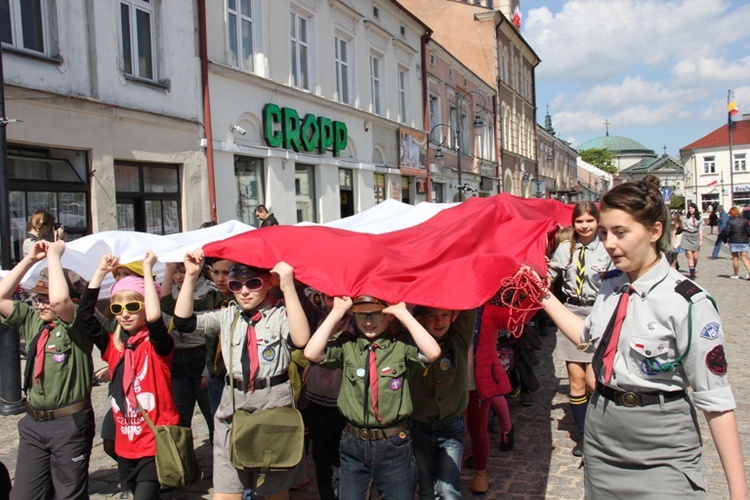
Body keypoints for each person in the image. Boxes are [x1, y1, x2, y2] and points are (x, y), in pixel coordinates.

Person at [541, 180, 747, 498]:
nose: (609, 243)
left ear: (654, 231)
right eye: (605, 232)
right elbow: (588, 338)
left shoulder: (688, 302)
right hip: (602, 433)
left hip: (662, 441)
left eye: (620, 232)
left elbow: (716, 402)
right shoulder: (609, 285)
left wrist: (739, 491)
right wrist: (542, 295)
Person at [173, 251, 310, 500]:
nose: (244, 291)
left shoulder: (279, 315)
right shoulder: (228, 314)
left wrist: (289, 289)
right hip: (233, 406)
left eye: (253, 283)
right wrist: (191, 276)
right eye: (237, 285)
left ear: (268, 282)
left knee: (275, 491)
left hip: (272, 406)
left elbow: (301, 339)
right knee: (226, 491)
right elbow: (184, 323)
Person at [304, 295, 441, 500]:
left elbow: (432, 353)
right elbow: (312, 353)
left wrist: (404, 313)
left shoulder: (400, 346)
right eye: (362, 314)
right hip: (353, 444)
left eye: (377, 313)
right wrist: (336, 313)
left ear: (389, 315)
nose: (369, 321)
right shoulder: (347, 345)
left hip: (393, 444)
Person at [0, 240, 96, 500]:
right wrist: (30, 259)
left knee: (68, 495)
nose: (41, 304)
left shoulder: (77, 326)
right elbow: (0, 297)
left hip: (68, 424)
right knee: (22, 495)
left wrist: (54, 256)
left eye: (45, 299)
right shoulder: (34, 323)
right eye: (37, 298)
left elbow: (60, 299)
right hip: (34, 422)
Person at [83, 252, 179, 499]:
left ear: (146, 306)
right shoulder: (113, 347)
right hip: (126, 444)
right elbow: (85, 317)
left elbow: (156, 319)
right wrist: (100, 273)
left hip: (154, 441)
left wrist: (147, 271)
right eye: (118, 308)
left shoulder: (159, 345)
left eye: (133, 306)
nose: (124, 313)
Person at [547, 201, 612, 457]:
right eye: (579, 221)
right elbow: (550, 272)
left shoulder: (607, 248)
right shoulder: (565, 249)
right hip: (571, 312)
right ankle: (584, 437)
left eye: (589, 221)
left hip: (599, 315)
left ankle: (601, 431)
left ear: (597, 222)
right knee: (576, 381)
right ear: (573, 224)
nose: (584, 226)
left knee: (593, 382)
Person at [409, 307, 476, 499]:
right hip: (419, 427)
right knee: (426, 490)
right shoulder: (411, 344)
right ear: (421, 319)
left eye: (445, 315)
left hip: (451, 428)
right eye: (432, 316)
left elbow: (469, 309)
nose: (439, 322)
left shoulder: (459, 341)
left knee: (447, 490)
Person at [161, 262, 215, 440]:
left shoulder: (209, 290)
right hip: (177, 360)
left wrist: (208, 367)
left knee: (212, 414)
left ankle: (219, 458)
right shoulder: (169, 290)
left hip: (201, 356)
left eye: (182, 271)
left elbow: (214, 334)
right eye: (175, 272)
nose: (178, 276)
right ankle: (184, 462)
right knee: (180, 418)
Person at [724, 207, 750, 280]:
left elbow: (727, 232)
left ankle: (736, 274)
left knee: (735, 258)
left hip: (733, 241)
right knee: (744, 258)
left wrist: (727, 238)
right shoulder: (745, 220)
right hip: (744, 241)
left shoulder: (730, 221)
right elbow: (748, 231)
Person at [680, 203, 703, 279]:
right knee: (690, 255)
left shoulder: (699, 218)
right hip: (687, 235)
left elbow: (700, 229)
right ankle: (692, 273)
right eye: (689, 208)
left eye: (692, 208)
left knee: (695, 257)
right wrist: (681, 222)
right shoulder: (686, 217)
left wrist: (701, 240)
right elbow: (683, 227)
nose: (690, 210)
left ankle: (693, 267)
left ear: (695, 209)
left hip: (695, 236)